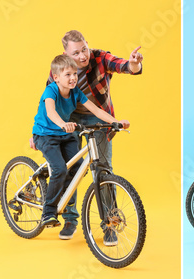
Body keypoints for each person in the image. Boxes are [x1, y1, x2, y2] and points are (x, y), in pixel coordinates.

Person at [46, 30, 143, 240]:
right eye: (76, 53)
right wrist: (39, 134)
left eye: (84, 49)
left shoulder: (99, 58)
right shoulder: (60, 68)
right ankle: (70, 219)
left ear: (88, 45)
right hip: (69, 120)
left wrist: (134, 63)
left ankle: (110, 223)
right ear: (65, 53)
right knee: (68, 168)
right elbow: (48, 106)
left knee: (103, 170)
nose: (82, 56)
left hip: (97, 118)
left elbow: (124, 66)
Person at [32, 55, 128, 246]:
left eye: (75, 73)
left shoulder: (75, 92)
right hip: (46, 135)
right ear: (56, 77)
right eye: (67, 74)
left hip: (64, 135)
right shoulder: (51, 90)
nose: (72, 78)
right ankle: (48, 211)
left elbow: (96, 110)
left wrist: (115, 122)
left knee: (75, 169)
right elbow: (50, 112)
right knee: (59, 169)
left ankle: (66, 207)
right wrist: (62, 124)